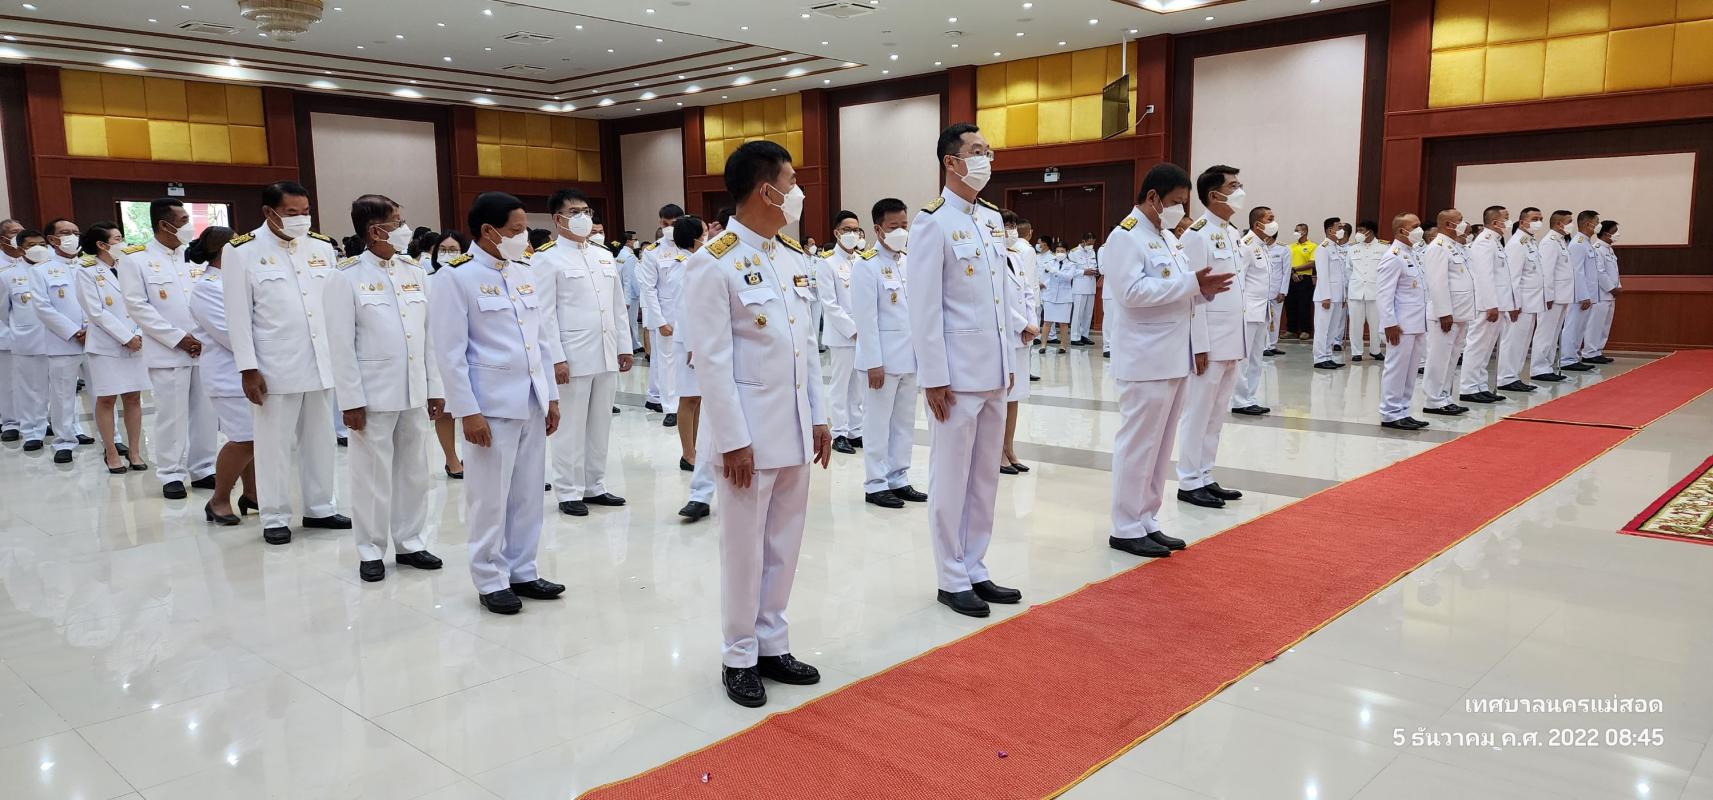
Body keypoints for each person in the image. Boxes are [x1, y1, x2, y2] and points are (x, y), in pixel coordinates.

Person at [684, 140, 830, 707]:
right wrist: (733, 441)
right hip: (747, 435)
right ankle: (739, 655)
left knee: (784, 545)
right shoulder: (713, 262)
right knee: (743, 551)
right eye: (791, 182)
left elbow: (805, 348)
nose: (797, 193)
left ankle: (773, 643)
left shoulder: (790, 258)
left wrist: (819, 417)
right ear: (766, 190)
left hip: (792, 428)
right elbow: (712, 362)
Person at [911, 123, 1035, 619]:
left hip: (994, 370)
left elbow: (999, 293)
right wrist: (934, 377)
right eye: (977, 151)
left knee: (985, 477)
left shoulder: (989, 218)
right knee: (950, 479)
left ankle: (975, 565)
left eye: (989, 151)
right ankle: (951, 576)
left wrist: (1010, 351)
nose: (986, 159)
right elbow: (924, 307)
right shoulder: (931, 222)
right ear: (951, 162)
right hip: (956, 378)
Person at [430, 191, 562, 615]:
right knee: (489, 497)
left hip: (531, 400)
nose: (524, 237)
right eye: (516, 230)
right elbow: (450, 353)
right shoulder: (455, 277)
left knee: (528, 493)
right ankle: (490, 578)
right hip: (489, 406)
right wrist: (467, 411)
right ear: (488, 231)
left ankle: (523, 569)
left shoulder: (523, 272)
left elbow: (540, 340)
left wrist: (551, 397)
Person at [1108, 163, 1230, 558]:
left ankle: (1146, 518)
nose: (1181, 211)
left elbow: (1178, 291)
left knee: (1160, 447)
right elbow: (1131, 293)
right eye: (1176, 202)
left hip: (1173, 356)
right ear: (1153, 198)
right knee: (1138, 445)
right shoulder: (1126, 237)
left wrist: (1202, 290)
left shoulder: (1165, 238)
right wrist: (1191, 283)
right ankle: (1125, 526)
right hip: (1145, 360)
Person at [324, 195, 445, 582]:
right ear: (376, 231)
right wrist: (350, 400)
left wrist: (435, 386)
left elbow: (428, 336)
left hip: (413, 390)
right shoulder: (345, 277)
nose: (404, 228)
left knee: (414, 472)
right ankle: (370, 550)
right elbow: (340, 346)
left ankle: (410, 542)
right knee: (372, 476)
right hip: (372, 394)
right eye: (397, 222)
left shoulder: (414, 271)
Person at [224, 181, 349, 545]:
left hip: (321, 361)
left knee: (321, 440)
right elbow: (238, 316)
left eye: (305, 212)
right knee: (273, 445)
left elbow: (333, 306)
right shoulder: (242, 251)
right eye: (292, 213)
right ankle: (275, 515)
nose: (301, 219)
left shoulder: (320, 247)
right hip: (273, 366)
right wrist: (248, 368)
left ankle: (320, 507)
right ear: (269, 212)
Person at [538, 189, 634, 517]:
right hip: (572, 355)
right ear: (558, 219)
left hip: (606, 351)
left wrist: (624, 346)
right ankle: (568, 490)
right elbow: (545, 314)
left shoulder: (602, 255)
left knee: (600, 424)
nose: (583, 217)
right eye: (574, 212)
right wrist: (556, 357)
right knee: (569, 427)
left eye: (586, 211)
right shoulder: (547, 258)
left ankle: (595, 485)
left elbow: (617, 305)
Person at [117, 199, 217, 498]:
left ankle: (203, 468)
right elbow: (137, 306)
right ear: (164, 224)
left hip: (204, 348)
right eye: (184, 219)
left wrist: (205, 337)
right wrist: (178, 338)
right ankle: (171, 473)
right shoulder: (135, 259)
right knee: (171, 415)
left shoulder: (194, 257)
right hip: (168, 352)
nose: (189, 225)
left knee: (205, 414)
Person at [1174, 165, 1249, 510]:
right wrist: (1198, 344)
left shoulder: (1231, 233)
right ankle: (1189, 480)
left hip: (1231, 338)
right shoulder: (1197, 235)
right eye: (1233, 186)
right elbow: (1193, 295)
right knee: (1198, 411)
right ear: (1213, 195)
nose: (1239, 190)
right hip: (1210, 340)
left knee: (1217, 413)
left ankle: (1205, 474)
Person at [850, 197, 926, 508]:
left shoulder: (908, 261)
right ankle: (875, 483)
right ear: (878, 230)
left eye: (905, 225)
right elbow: (866, 320)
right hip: (880, 362)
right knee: (877, 424)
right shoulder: (865, 265)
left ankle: (898, 477)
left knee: (904, 423)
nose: (901, 232)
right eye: (894, 226)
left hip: (908, 358)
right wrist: (874, 363)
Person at [185, 225, 258, 524]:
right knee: (244, 439)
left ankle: (252, 494)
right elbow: (231, 335)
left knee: (252, 438)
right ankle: (218, 500)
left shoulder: (235, 281)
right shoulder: (207, 288)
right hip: (228, 375)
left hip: (247, 371)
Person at [76, 223, 150, 473]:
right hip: (106, 345)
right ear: (102, 245)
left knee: (133, 397)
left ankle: (135, 452)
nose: (123, 242)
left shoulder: (130, 266)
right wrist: (125, 337)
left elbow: (144, 302)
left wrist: (138, 334)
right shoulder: (86, 271)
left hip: (137, 341)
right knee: (107, 398)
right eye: (118, 239)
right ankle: (111, 452)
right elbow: (95, 311)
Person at [21, 227, 87, 462]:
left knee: (103, 393)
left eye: (75, 232)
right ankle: (64, 441)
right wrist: (74, 331)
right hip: (63, 341)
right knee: (62, 394)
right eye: (65, 232)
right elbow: (42, 308)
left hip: (96, 339)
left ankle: (113, 438)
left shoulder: (89, 266)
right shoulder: (41, 270)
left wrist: (91, 329)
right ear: (52, 239)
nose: (72, 236)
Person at [674, 215, 719, 522]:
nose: (709, 235)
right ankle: (689, 455)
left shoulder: (705, 261)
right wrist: (693, 346)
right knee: (689, 398)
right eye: (705, 232)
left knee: (703, 402)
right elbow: (684, 308)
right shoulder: (687, 265)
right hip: (692, 344)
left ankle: (699, 453)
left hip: (708, 342)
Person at [1377, 214, 1431, 430]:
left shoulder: (1412, 253)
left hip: (1416, 323)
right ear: (1402, 231)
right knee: (1396, 369)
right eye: (1415, 226)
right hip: (1400, 325)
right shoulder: (1393, 256)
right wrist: (1389, 323)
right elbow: (1384, 294)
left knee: (1410, 371)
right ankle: (1390, 413)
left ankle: (1403, 410)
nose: (1420, 230)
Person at [818, 210, 865, 454]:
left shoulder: (863, 260)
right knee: (840, 385)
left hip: (864, 335)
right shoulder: (827, 262)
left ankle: (855, 430)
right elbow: (829, 304)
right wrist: (853, 330)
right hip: (842, 335)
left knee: (857, 385)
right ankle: (839, 433)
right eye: (847, 229)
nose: (852, 234)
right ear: (837, 232)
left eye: (856, 230)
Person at [1419, 209, 1474, 417]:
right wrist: (1444, 313)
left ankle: (1444, 396)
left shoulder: (1455, 246)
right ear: (1449, 225)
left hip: (1460, 311)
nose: (1464, 223)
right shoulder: (1438, 247)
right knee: (1439, 357)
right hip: (1445, 314)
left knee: (1451, 358)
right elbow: (1437, 283)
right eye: (1460, 220)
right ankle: (1433, 400)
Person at [424, 230, 470, 477]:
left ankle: (472, 457)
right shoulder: (427, 280)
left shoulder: (469, 278)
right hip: (437, 353)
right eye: (443, 250)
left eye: (453, 250)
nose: (447, 254)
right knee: (446, 409)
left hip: (468, 351)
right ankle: (451, 459)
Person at [1458, 206, 1514, 404]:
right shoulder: (1484, 242)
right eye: (1506, 218)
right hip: (1486, 304)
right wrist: (1491, 304)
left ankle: (1480, 385)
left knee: (1486, 347)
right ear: (1495, 222)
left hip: (1497, 303)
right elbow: (1484, 276)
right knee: (1477, 346)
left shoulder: (1495, 241)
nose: (1509, 221)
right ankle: (1468, 387)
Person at [638, 203, 686, 418]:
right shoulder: (653, 252)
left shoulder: (692, 245)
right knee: (667, 362)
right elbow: (649, 289)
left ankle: (689, 401)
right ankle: (671, 408)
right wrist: (659, 321)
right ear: (660, 223)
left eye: (673, 224)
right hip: (667, 314)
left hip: (690, 313)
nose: (669, 228)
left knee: (689, 361)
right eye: (665, 224)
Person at [1002, 211, 1039, 466]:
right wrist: (1022, 324)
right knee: (1000, 399)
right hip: (1005, 335)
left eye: (1013, 225)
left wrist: (1031, 325)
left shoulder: (1015, 256)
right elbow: (998, 301)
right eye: (1006, 226)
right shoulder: (990, 257)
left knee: (1014, 397)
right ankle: (996, 452)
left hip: (1022, 338)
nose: (1011, 230)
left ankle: (1009, 448)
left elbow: (1027, 292)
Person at [1230, 206, 1275, 416]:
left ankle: (1250, 397)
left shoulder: (1262, 245)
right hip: (1248, 310)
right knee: (1244, 358)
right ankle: (1239, 400)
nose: (1274, 222)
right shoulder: (1246, 245)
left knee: (1257, 357)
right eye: (1270, 219)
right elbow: (1238, 280)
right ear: (1257, 224)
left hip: (1262, 309)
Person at [1496, 207, 1545, 393]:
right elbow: (1513, 277)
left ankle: (1514, 376)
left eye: (1540, 218)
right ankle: (1505, 378)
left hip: (1531, 302)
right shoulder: (1517, 243)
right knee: (1513, 341)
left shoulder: (1529, 242)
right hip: (1520, 303)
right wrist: (1514, 304)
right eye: (1534, 218)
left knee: (1522, 342)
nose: (1538, 222)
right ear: (1523, 222)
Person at [1529, 209, 1574, 383]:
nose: (1571, 225)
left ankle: (1547, 366)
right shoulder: (1549, 242)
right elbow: (1547, 272)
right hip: (1553, 297)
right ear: (1558, 224)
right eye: (1569, 221)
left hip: (1562, 295)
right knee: (1545, 333)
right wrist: (1548, 296)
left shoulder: (1560, 240)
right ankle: (1538, 368)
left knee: (1553, 334)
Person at [1558, 210, 1602, 373]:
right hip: (1579, 295)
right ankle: (1567, 359)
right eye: (1596, 222)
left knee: (1580, 328)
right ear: (1587, 224)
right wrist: (1583, 295)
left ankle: (1573, 357)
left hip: (1587, 294)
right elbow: (1577, 272)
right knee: (1573, 326)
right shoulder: (1578, 243)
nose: (1598, 225)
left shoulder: (1586, 242)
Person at [1310, 216, 1348, 369]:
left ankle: (1327, 356)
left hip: (1338, 296)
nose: (1341, 230)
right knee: (1322, 329)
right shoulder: (1323, 248)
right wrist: (1326, 297)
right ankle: (1319, 358)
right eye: (1339, 227)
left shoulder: (1337, 248)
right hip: (1326, 297)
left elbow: (1342, 275)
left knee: (1332, 329)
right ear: (1330, 230)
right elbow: (1323, 274)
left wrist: (1343, 296)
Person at [1346, 220, 1386, 361]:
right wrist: (1351, 285)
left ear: (1370, 231)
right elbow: (1348, 269)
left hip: (1375, 291)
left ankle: (1375, 350)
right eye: (1358, 230)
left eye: (1361, 230)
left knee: (1376, 323)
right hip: (1356, 291)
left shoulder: (1384, 248)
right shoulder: (1352, 248)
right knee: (1355, 324)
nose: (1358, 233)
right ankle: (1356, 351)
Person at [1583, 220, 1622, 364]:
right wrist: (1611, 288)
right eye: (1615, 231)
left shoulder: (1609, 249)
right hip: (1601, 294)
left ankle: (1598, 351)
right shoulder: (1597, 248)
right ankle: (1589, 352)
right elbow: (1599, 272)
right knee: (1595, 324)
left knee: (1605, 325)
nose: (1618, 234)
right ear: (1606, 234)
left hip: (1610, 295)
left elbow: (1614, 271)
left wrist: (1618, 286)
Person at [1038, 242, 1073, 352]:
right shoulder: (1050, 263)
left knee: (1063, 323)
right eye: (1057, 251)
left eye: (1062, 251)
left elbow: (1068, 277)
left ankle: (1063, 346)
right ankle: (1043, 345)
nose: (1060, 253)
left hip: (1064, 297)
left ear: (1067, 252)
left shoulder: (1071, 264)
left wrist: (1055, 271)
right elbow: (1047, 277)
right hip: (1050, 296)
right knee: (1047, 322)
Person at [1284, 223, 1317, 341]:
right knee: (1290, 305)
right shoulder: (1290, 247)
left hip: (1305, 279)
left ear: (1305, 232)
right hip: (1291, 278)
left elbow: (1312, 263)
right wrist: (1292, 272)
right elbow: (1286, 263)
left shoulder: (1313, 246)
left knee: (1304, 305)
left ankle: (1305, 330)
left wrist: (1295, 269)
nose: (1295, 233)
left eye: (1297, 230)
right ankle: (1291, 330)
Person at [1262, 222, 1291, 356]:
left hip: (1276, 291)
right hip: (1262, 291)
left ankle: (1272, 345)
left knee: (1275, 318)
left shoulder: (1283, 249)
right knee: (1263, 319)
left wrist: (1283, 291)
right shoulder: (1260, 248)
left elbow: (1286, 272)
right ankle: (1264, 346)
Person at [1067, 232, 1100, 346]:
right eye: (1089, 243)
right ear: (1083, 241)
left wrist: (1096, 271)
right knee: (1078, 313)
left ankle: (1084, 335)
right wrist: (1084, 272)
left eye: (1093, 243)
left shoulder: (1092, 252)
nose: (1091, 245)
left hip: (1091, 286)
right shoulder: (1074, 252)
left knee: (1088, 313)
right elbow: (1070, 271)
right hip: (1079, 287)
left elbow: (1095, 266)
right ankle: (1075, 337)